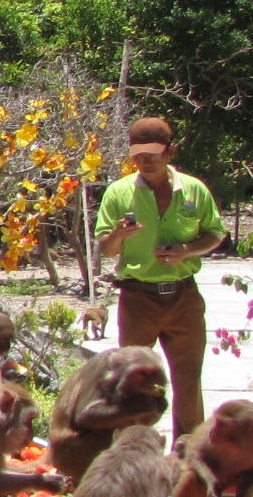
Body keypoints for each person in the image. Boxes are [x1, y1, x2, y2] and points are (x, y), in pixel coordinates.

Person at [94, 116, 226, 442]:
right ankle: (132, 452)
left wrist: (187, 250)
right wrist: (118, 235)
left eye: (153, 155)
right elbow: (107, 250)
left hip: (184, 298)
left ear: (170, 152)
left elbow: (216, 234)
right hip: (138, 299)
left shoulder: (194, 190)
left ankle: (187, 457)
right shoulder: (118, 193)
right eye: (139, 156)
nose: (146, 162)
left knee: (188, 382)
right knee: (132, 382)